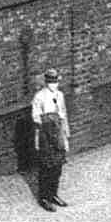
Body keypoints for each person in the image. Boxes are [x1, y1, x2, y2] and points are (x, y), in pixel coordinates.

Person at [31, 67, 71, 212]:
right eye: (50, 81)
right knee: (46, 166)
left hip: (58, 133)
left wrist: (66, 133)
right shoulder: (39, 97)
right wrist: (49, 121)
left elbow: (63, 114)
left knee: (58, 166)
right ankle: (44, 197)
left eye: (55, 81)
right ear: (46, 82)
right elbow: (36, 117)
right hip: (45, 135)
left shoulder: (60, 95)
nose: (53, 84)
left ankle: (53, 194)